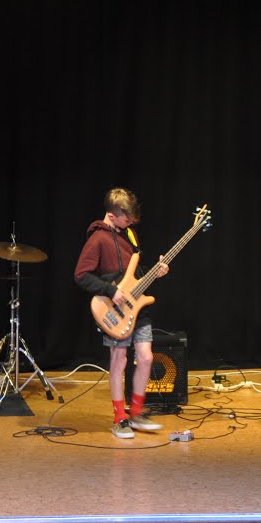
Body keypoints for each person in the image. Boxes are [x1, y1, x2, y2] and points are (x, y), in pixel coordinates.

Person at [74, 188, 162, 440]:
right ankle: (119, 418)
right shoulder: (97, 239)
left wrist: (155, 271)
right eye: (127, 219)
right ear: (112, 215)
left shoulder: (130, 234)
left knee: (146, 357)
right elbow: (81, 275)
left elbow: (133, 274)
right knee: (119, 361)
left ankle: (136, 413)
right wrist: (110, 291)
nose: (131, 222)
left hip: (138, 307)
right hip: (114, 310)